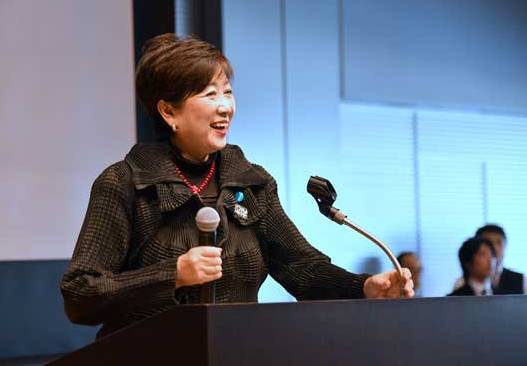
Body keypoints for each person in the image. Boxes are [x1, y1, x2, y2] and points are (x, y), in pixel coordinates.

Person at [60, 33, 414, 339]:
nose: (225, 107)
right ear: (169, 112)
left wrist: (364, 287)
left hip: (235, 351)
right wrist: (175, 274)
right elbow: (81, 294)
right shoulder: (124, 183)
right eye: (210, 94)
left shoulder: (251, 182)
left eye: (227, 92)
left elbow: (300, 268)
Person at [453, 224, 525, 294]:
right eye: (489, 243)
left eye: (499, 243)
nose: (495, 248)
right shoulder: (462, 283)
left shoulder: (521, 281)